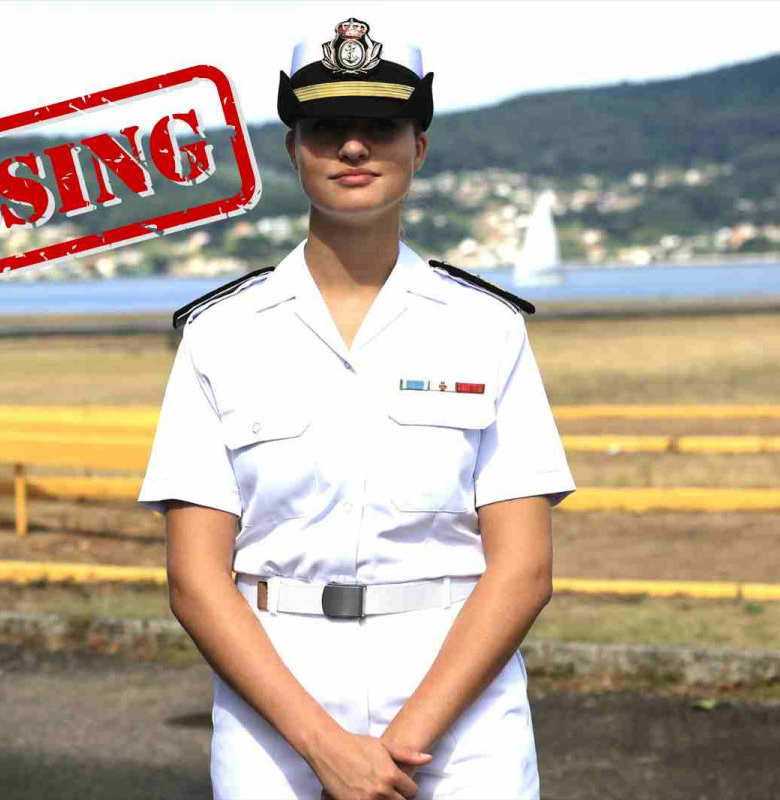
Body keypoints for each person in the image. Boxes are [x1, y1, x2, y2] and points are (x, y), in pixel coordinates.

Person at [138, 16, 576, 800]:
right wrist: (325, 747)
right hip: (276, 714)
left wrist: (402, 746)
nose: (352, 147)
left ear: (419, 146)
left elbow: (524, 568)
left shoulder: (486, 327)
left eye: (380, 127)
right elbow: (195, 578)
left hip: (462, 714)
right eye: (326, 128)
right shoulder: (221, 334)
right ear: (292, 148)